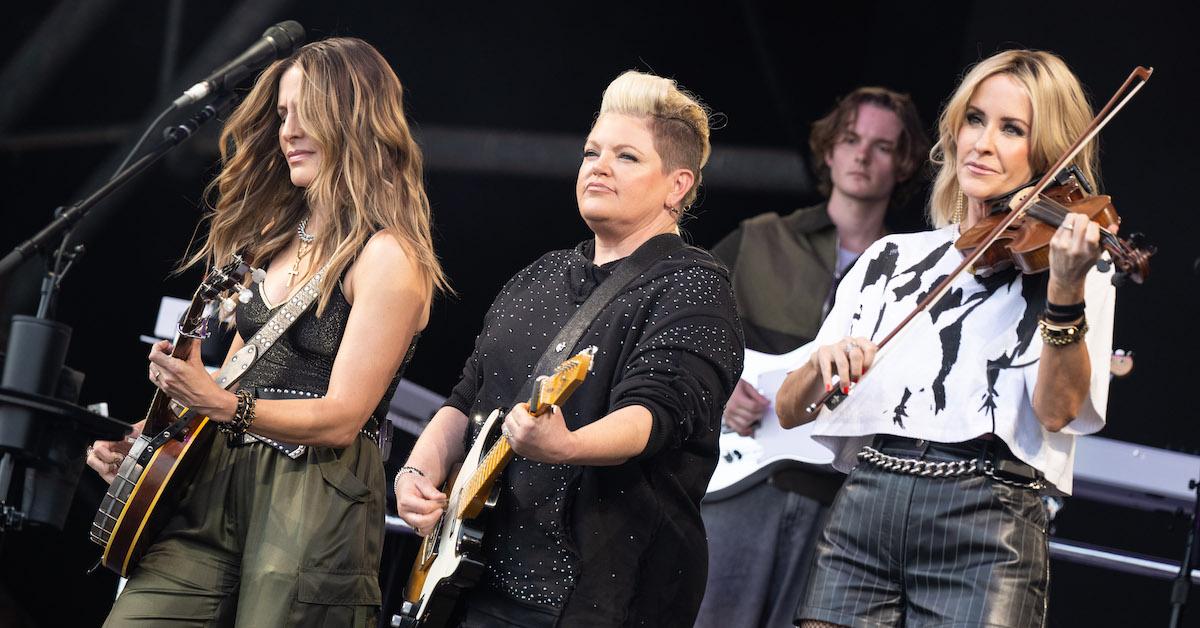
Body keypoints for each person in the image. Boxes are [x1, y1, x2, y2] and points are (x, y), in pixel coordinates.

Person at [86, 37, 446, 626]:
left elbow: (343, 416)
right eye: (282, 114)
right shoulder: (271, 239)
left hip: (314, 491)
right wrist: (148, 441)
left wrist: (223, 403)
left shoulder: (388, 257)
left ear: (355, 117)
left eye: (308, 112)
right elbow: (231, 372)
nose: (289, 131)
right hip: (213, 469)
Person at [775, 49, 1115, 628]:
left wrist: (1063, 287)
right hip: (868, 506)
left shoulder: (1076, 267)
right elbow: (789, 410)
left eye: (1012, 130)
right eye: (975, 119)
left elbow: (1057, 412)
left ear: (1050, 155)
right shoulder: (891, 257)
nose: (981, 142)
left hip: (988, 520)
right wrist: (818, 365)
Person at [395, 70, 743, 627]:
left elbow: (654, 416)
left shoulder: (693, 285)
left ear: (677, 185)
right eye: (591, 152)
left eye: (626, 157)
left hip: (595, 599)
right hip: (471, 580)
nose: (598, 166)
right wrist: (416, 471)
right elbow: (465, 401)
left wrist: (567, 445)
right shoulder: (541, 274)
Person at [697, 88, 929, 628]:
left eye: (882, 146)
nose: (862, 156)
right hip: (739, 479)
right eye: (850, 140)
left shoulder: (913, 270)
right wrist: (718, 385)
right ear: (829, 150)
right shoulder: (762, 237)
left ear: (904, 164)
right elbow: (680, 322)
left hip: (841, 502)